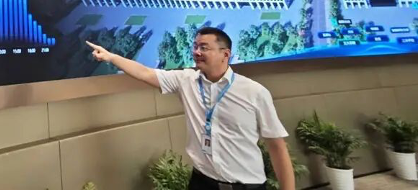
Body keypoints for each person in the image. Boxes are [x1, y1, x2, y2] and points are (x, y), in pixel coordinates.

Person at [86, 27, 295, 190]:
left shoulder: (254, 92)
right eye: (195, 46)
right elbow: (145, 73)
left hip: (246, 186)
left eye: (204, 47)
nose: (196, 52)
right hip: (201, 183)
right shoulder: (186, 80)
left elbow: (277, 147)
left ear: (225, 54)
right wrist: (111, 57)